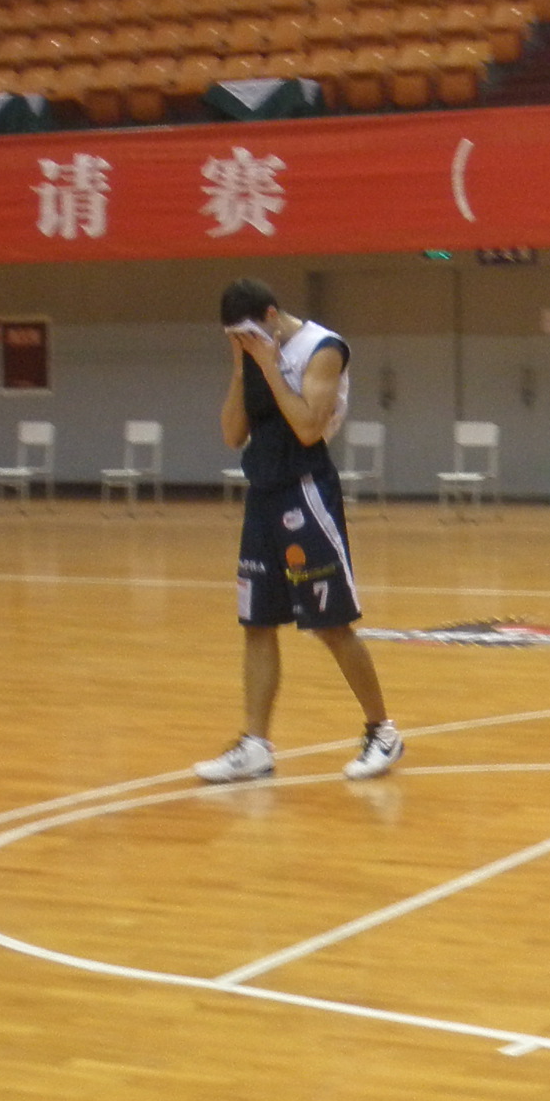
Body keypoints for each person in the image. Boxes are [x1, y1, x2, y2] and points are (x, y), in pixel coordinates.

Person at [194, 278, 403, 784]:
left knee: (330, 623)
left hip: (306, 490)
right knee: (257, 623)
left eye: (247, 332)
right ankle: (255, 745)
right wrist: (241, 366)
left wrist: (269, 365)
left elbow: (309, 427)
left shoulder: (323, 348)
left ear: (270, 314)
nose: (244, 341)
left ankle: (382, 732)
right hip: (262, 492)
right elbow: (232, 434)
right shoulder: (250, 355)